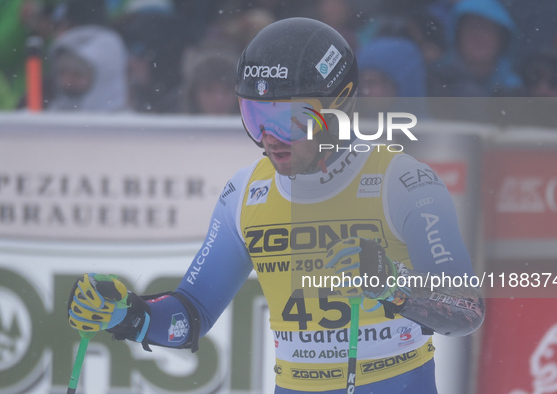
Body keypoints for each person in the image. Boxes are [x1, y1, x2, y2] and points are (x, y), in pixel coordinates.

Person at [67, 18, 484, 393]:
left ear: (339, 107)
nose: (270, 137)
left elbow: (466, 311)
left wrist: (393, 286)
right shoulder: (245, 193)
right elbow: (189, 317)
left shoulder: (403, 181)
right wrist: (127, 314)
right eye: (255, 116)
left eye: (291, 119)